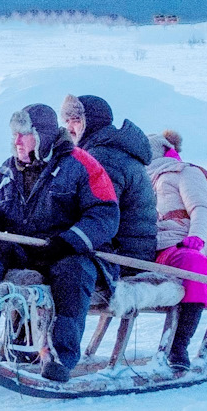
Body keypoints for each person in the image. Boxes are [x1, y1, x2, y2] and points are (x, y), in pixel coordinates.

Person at [0, 103, 118, 383]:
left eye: (24, 134)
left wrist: (69, 241)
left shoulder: (81, 165)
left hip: (69, 251)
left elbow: (105, 213)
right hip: (25, 249)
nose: (16, 141)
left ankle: (59, 358)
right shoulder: (6, 171)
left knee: (73, 273)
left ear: (42, 135)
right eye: (14, 134)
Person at [60, 94, 157, 278]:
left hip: (123, 256)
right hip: (130, 250)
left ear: (91, 122)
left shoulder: (105, 157)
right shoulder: (106, 150)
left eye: (75, 120)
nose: (69, 128)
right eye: (67, 121)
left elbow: (101, 214)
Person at [147, 128, 207, 372]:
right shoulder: (140, 177)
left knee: (194, 266)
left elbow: (200, 207)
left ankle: (179, 345)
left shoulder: (185, 172)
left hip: (176, 243)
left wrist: (196, 238)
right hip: (145, 245)